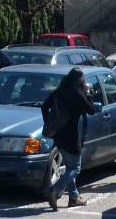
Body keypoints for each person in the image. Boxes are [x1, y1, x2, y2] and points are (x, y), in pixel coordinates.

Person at [40, 68, 96, 210]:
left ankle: (74, 197)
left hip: (58, 135)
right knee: (75, 168)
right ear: (80, 81)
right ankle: (54, 189)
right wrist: (87, 93)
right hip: (71, 135)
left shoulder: (60, 91)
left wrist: (49, 124)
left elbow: (44, 106)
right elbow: (91, 110)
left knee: (69, 167)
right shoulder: (77, 94)